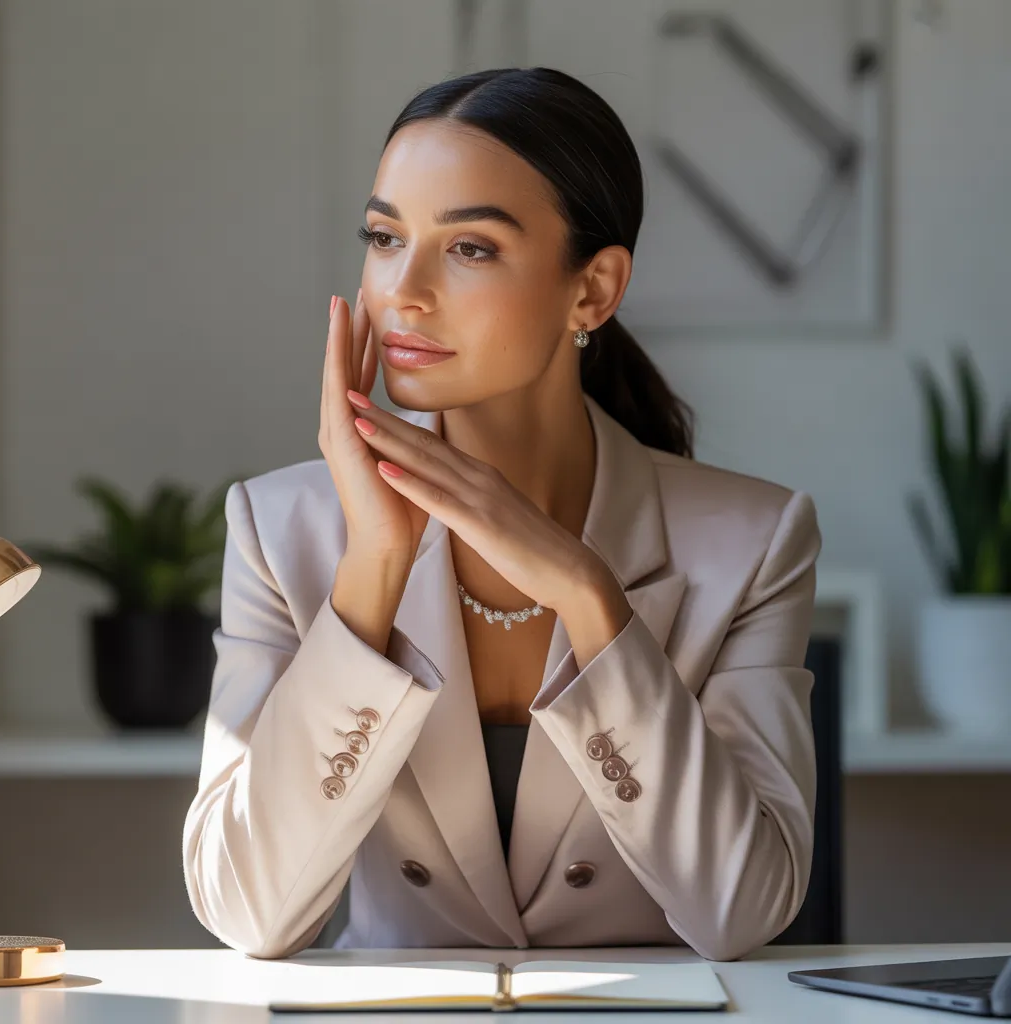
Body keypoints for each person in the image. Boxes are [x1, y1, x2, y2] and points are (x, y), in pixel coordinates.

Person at [182, 66, 821, 963]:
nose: (404, 289)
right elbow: (250, 913)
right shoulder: (279, 528)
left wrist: (588, 595)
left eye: (470, 248)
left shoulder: (755, 544)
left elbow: (742, 911)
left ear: (592, 290)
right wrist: (372, 568)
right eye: (382, 236)